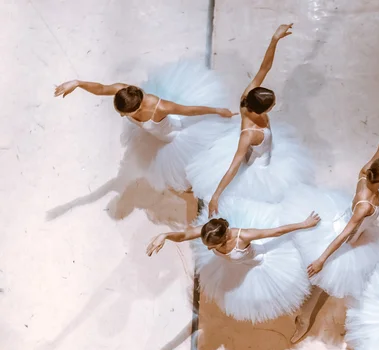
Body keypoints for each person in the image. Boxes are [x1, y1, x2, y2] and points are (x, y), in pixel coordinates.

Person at [288, 105, 379, 343]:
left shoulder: (366, 172)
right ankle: (304, 318)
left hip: (345, 223)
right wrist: (322, 259)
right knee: (326, 282)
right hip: (346, 238)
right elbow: (345, 234)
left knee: (329, 278)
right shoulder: (365, 205)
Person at [185, 24, 314, 213]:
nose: (273, 107)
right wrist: (216, 196)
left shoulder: (246, 99)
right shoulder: (249, 134)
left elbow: (264, 68)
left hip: (259, 151)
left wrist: (274, 40)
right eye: (271, 105)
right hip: (259, 168)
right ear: (260, 109)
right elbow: (235, 165)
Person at [54, 61, 236, 193]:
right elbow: (101, 89)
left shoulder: (160, 107)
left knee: (190, 166)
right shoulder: (123, 90)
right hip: (158, 135)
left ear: (139, 108)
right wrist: (78, 83)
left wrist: (218, 111)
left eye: (126, 114)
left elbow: (190, 110)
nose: (121, 116)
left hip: (175, 135)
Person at [147, 197, 320, 323]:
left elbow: (276, 232)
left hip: (260, 263)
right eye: (209, 246)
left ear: (225, 238)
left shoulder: (243, 236)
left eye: (213, 246)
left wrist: (304, 224)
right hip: (240, 266)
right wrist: (165, 235)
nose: (208, 250)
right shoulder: (208, 233)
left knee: (285, 287)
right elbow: (184, 235)